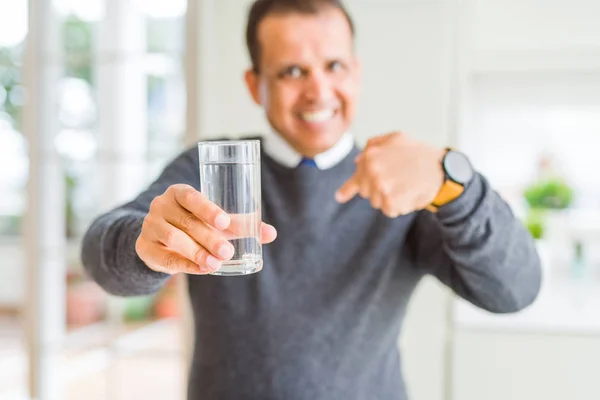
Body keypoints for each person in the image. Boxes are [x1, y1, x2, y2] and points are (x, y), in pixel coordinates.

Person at [81, 0, 542, 399]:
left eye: (334, 66)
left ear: (356, 74)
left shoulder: (408, 185)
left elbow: (514, 290)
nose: (318, 91)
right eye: (292, 71)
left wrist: (455, 183)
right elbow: (100, 256)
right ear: (254, 84)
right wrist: (144, 244)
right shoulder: (210, 171)